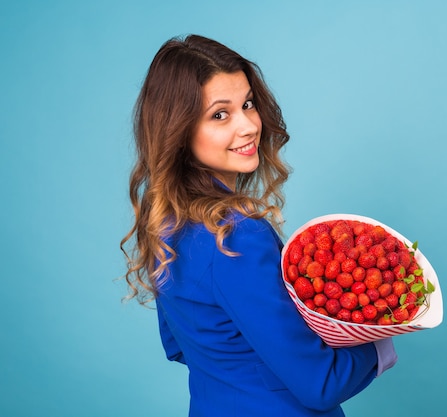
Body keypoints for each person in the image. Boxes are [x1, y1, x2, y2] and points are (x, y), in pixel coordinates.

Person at [120, 34, 397, 417]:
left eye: (247, 104)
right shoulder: (236, 235)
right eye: (220, 114)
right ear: (179, 131)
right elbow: (320, 384)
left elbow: (180, 345)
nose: (249, 125)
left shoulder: (164, 222)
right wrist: (383, 331)